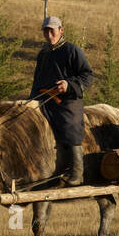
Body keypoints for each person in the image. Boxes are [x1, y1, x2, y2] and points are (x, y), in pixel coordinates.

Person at [30, 16, 95, 186]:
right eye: (46, 30)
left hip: (67, 101)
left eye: (52, 30)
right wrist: (30, 101)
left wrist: (68, 84)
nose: (49, 34)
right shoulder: (43, 54)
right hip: (43, 100)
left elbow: (87, 75)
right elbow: (37, 80)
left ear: (61, 30)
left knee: (70, 124)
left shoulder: (72, 50)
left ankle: (77, 172)